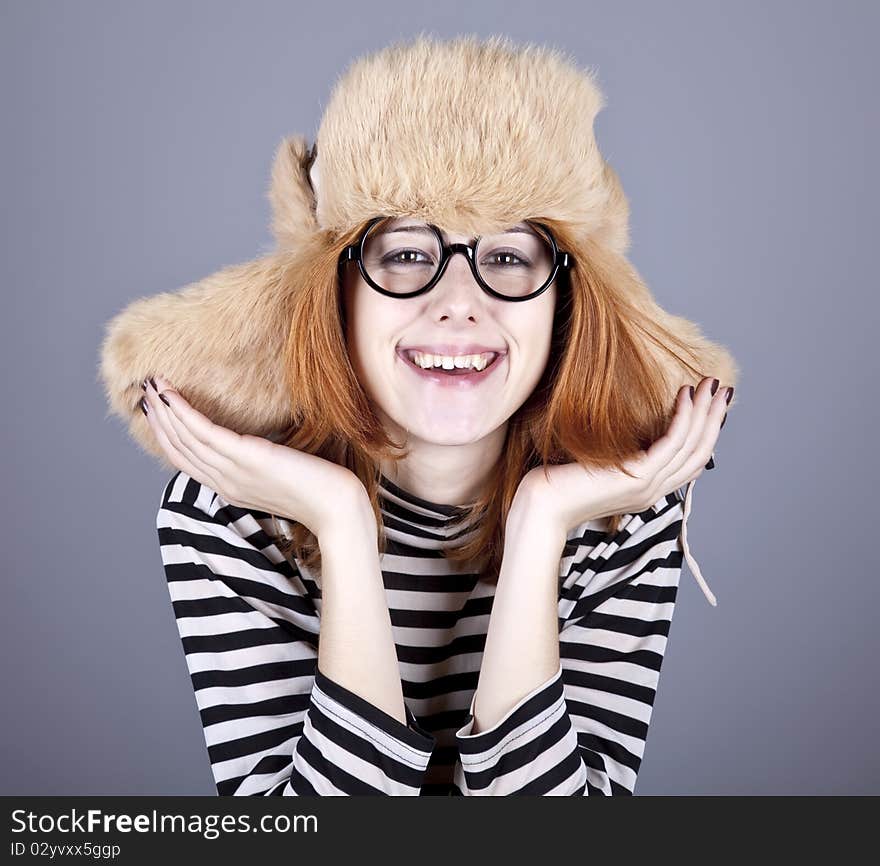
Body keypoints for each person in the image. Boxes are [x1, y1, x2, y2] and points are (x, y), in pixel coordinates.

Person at [99, 34, 739, 796]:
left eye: (506, 257)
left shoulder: (621, 511)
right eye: (406, 254)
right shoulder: (225, 509)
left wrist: (541, 524)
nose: (458, 306)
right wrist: (340, 523)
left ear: (565, 298)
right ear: (336, 288)